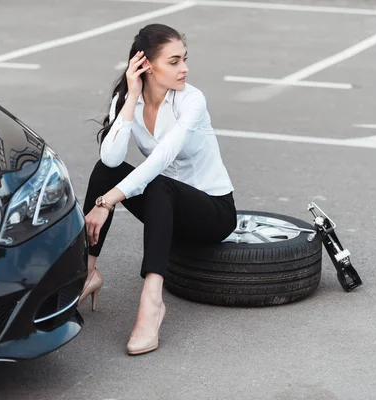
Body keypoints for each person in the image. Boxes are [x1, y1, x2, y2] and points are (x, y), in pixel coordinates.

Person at [80, 23, 237, 355]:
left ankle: (152, 303)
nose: (185, 69)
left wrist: (106, 203)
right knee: (106, 172)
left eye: (184, 59)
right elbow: (110, 158)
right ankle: (87, 271)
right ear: (147, 65)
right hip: (165, 206)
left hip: (213, 211)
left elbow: (162, 158)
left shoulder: (191, 100)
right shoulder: (129, 98)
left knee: (158, 183)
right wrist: (131, 95)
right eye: (175, 61)